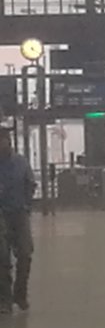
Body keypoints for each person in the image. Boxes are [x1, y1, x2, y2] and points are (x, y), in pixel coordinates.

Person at [0, 130, 35, 313]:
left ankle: (20, 294)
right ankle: (4, 299)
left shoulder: (20, 162)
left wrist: (27, 205)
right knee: (2, 256)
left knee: (25, 253)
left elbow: (30, 183)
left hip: (19, 212)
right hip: (1, 214)